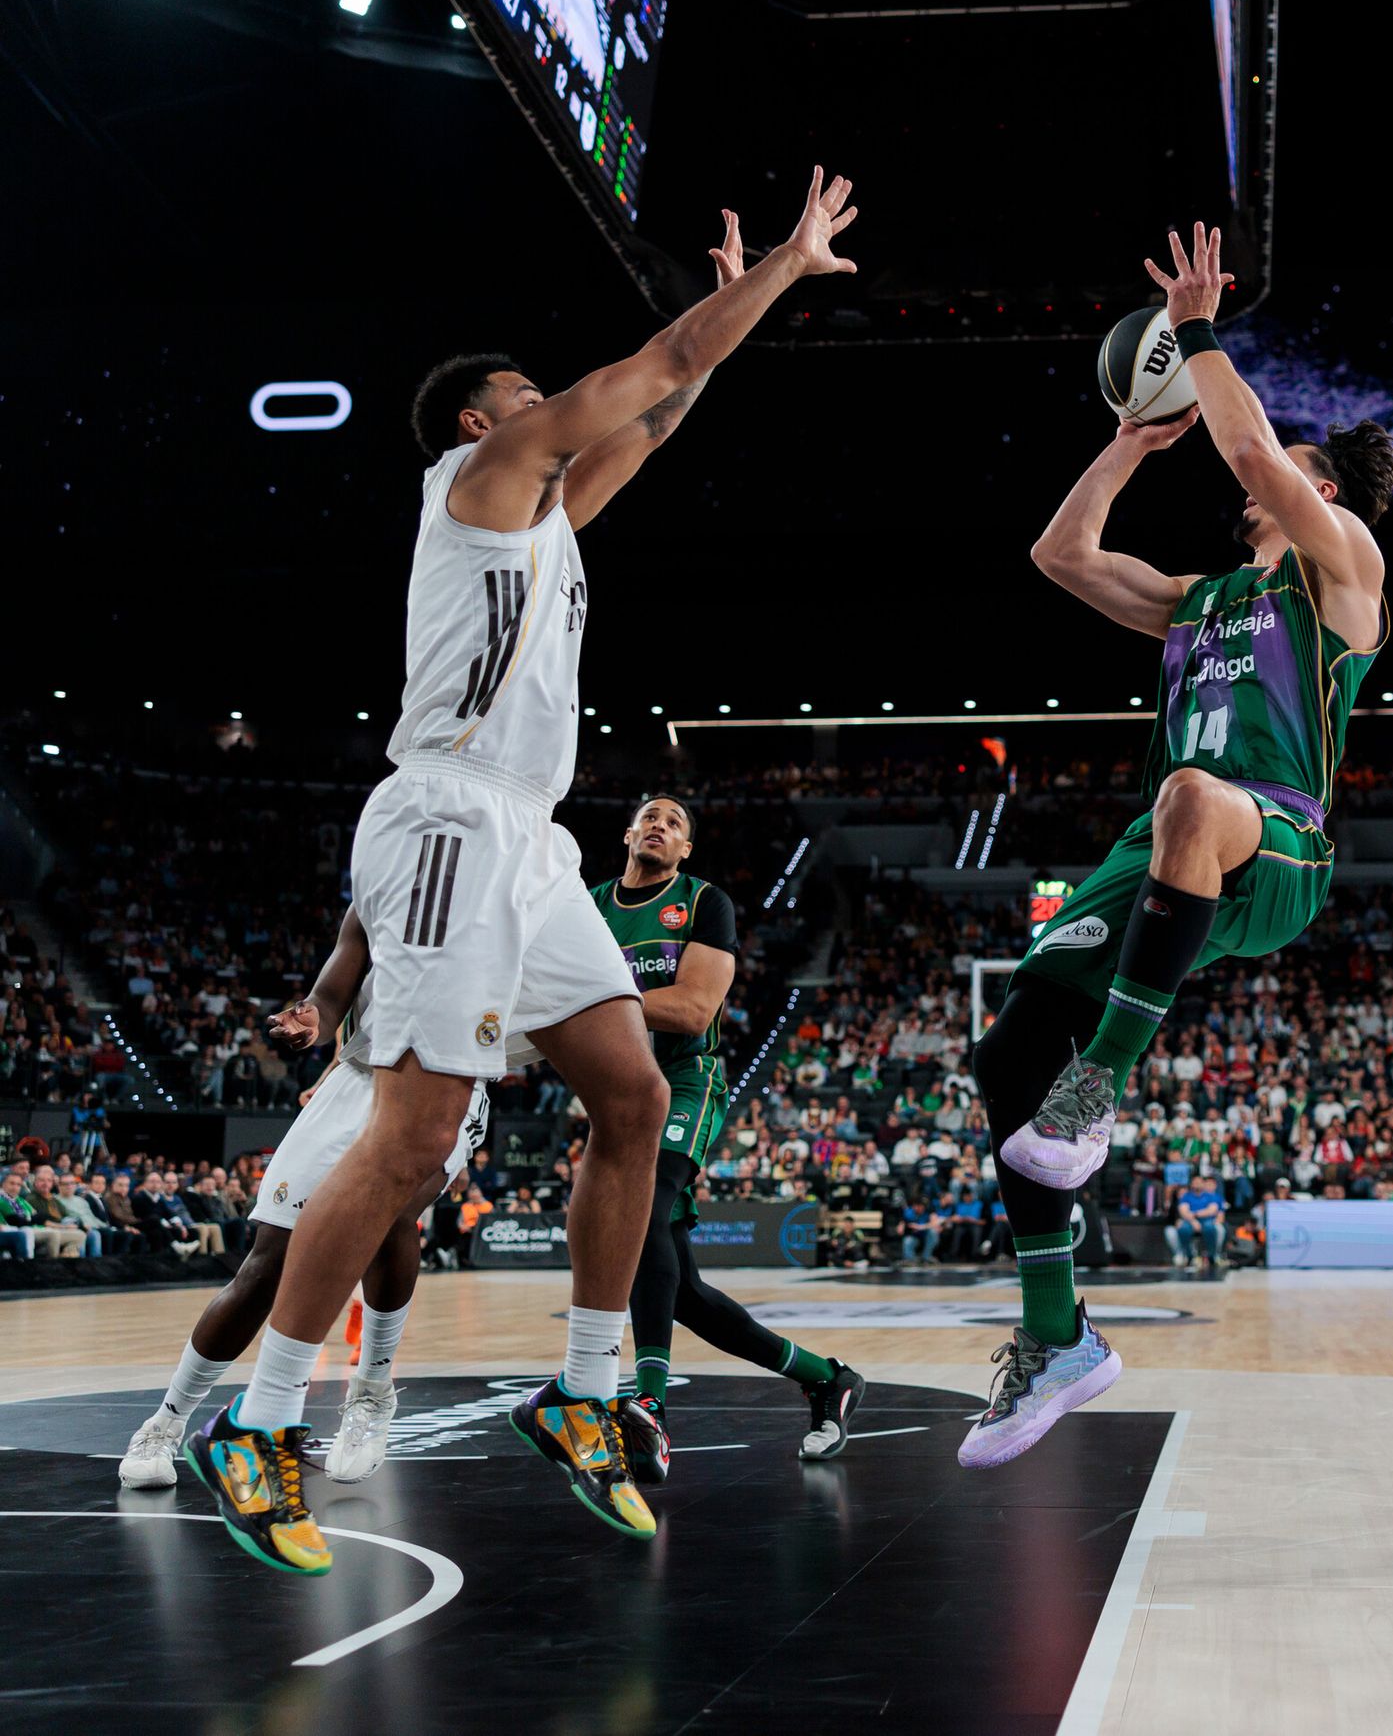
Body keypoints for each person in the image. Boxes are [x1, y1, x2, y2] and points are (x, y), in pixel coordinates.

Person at [188, 172, 863, 1572]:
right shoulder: (479, 480)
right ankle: (258, 1422)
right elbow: (659, 364)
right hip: (440, 824)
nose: (561, 398)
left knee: (634, 1089)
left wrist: (734, 303)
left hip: (530, 834)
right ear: (483, 421)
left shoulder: (549, 517)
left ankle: (587, 1385)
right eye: (534, 389)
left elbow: (668, 408)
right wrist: (785, 272)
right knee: (416, 1141)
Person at [962, 221, 1393, 1469]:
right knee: (1007, 1060)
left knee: (1194, 795)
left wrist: (1199, 329)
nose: (1261, 475)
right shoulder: (1198, 597)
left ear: (1325, 499)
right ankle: (1058, 1340)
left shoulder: (1345, 577)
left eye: (1292, 472)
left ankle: (1097, 1094)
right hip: (1164, 847)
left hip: (1279, 846)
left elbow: (1254, 444)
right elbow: (1059, 556)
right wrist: (1124, 442)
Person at [121, 908, 489, 1492]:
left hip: (450, 1081)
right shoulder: (388, 871)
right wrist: (315, 1016)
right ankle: (164, 1422)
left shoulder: (520, 874)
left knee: (392, 1214)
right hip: (357, 1077)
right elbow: (334, 986)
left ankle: (371, 1392)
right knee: (265, 1264)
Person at [591, 795, 864, 1481]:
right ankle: (826, 1378)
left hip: (685, 1081)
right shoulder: (588, 904)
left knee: (641, 1214)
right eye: (649, 816)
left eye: (676, 822)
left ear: (685, 850)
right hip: (618, 1090)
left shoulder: (703, 901)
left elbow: (692, 1008)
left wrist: (583, 1000)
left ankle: (650, 1402)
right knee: (682, 1292)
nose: (660, 825)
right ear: (628, 833)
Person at [1174, 1172, 1226, 1274]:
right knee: (1183, 1229)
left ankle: (1211, 1255)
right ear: (1191, 1184)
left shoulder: (1211, 1196)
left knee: (1210, 1228)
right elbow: (1183, 1211)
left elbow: (1212, 1210)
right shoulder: (1186, 1196)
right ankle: (1189, 1256)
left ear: (1203, 1184)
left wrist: (1196, 1214)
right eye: (1195, 1182)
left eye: (1199, 1182)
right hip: (1190, 1220)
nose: (1197, 1184)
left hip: (1206, 1219)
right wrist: (1193, 1221)